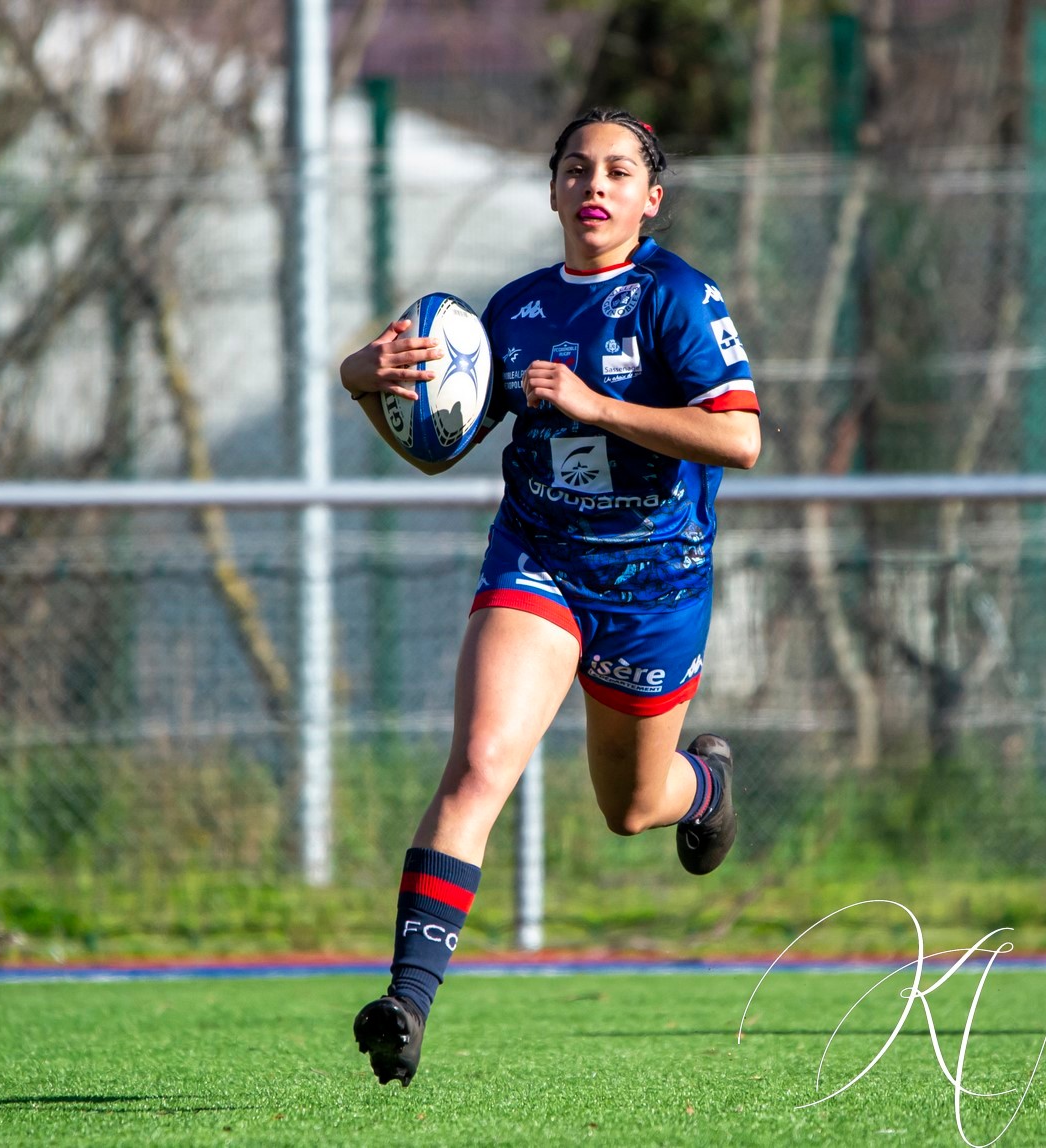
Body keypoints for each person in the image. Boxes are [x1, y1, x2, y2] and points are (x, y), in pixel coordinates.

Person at [337, 108, 761, 1087]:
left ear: (648, 198)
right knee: (479, 762)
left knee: (630, 806)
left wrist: (598, 405)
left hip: (654, 585)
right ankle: (404, 1002)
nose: (594, 186)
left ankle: (706, 786)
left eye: (617, 171)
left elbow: (739, 438)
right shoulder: (515, 310)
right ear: (553, 190)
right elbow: (435, 449)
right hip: (538, 564)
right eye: (576, 169)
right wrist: (364, 378)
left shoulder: (677, 299)